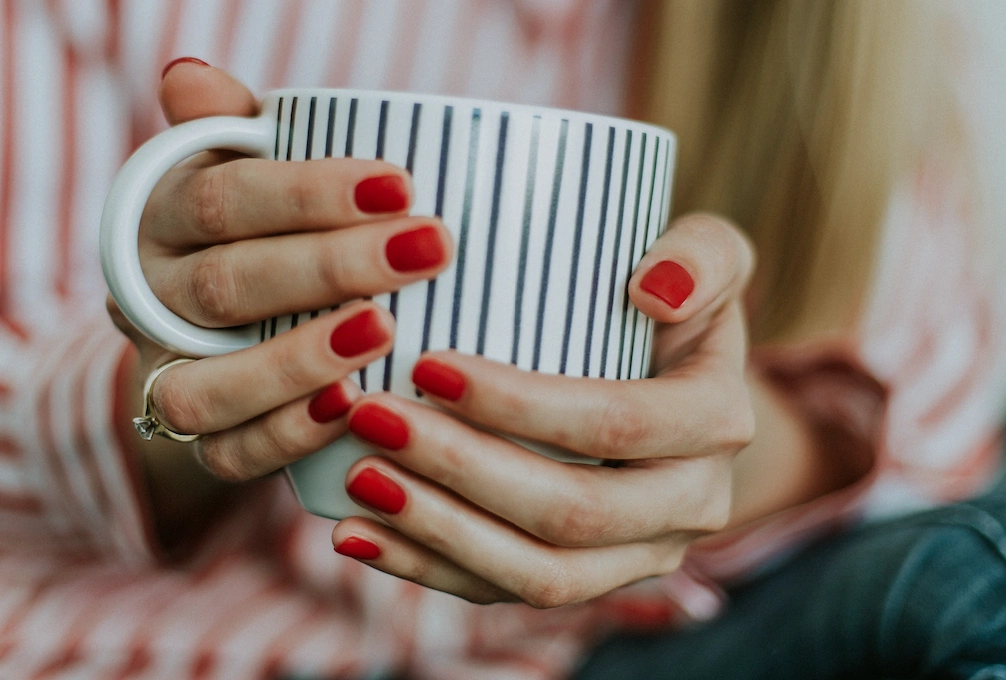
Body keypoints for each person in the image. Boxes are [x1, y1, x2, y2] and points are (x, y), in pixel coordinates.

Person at [1, 1, 1004, 678]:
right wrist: (183, 381)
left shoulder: (825, 33)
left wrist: (704, 445)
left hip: (637, 643)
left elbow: (940, 392)